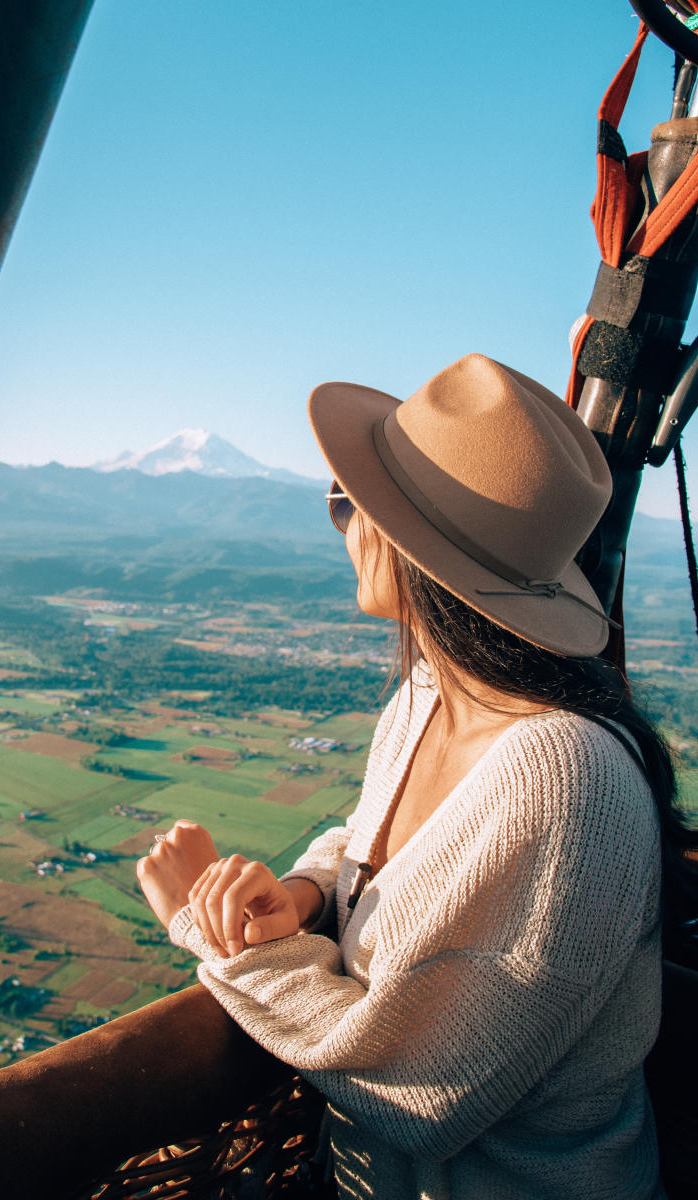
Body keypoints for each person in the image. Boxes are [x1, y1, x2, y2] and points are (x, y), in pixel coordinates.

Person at [136, 354, 698, 1199]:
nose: (344, 528)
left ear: (411, 549)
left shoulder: (565, 780)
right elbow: (382, 845)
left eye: (346, 506)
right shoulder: (428, 695)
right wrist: (301, 895)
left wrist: (206, 929)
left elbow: (419, 1092)